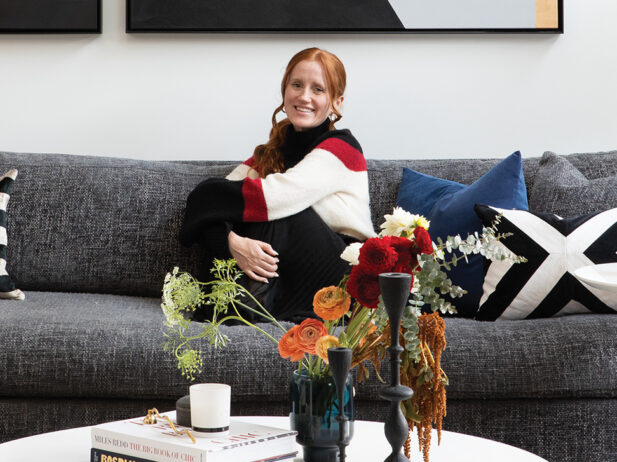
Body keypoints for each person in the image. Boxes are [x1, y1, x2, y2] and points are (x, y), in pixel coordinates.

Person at [179, 47, 375, 322]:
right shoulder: (270, 153)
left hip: (345, 277)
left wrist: (206, 200)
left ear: (336, 102)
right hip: (292, 273)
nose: (304, 96)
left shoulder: (342, 148)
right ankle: (224, 315)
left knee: (277, 210)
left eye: (318, 89)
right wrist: (232, 243)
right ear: (285, 92)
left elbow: (268, 198)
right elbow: (211, 207)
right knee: (235, 216)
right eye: (297, 85)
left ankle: (229, 314)